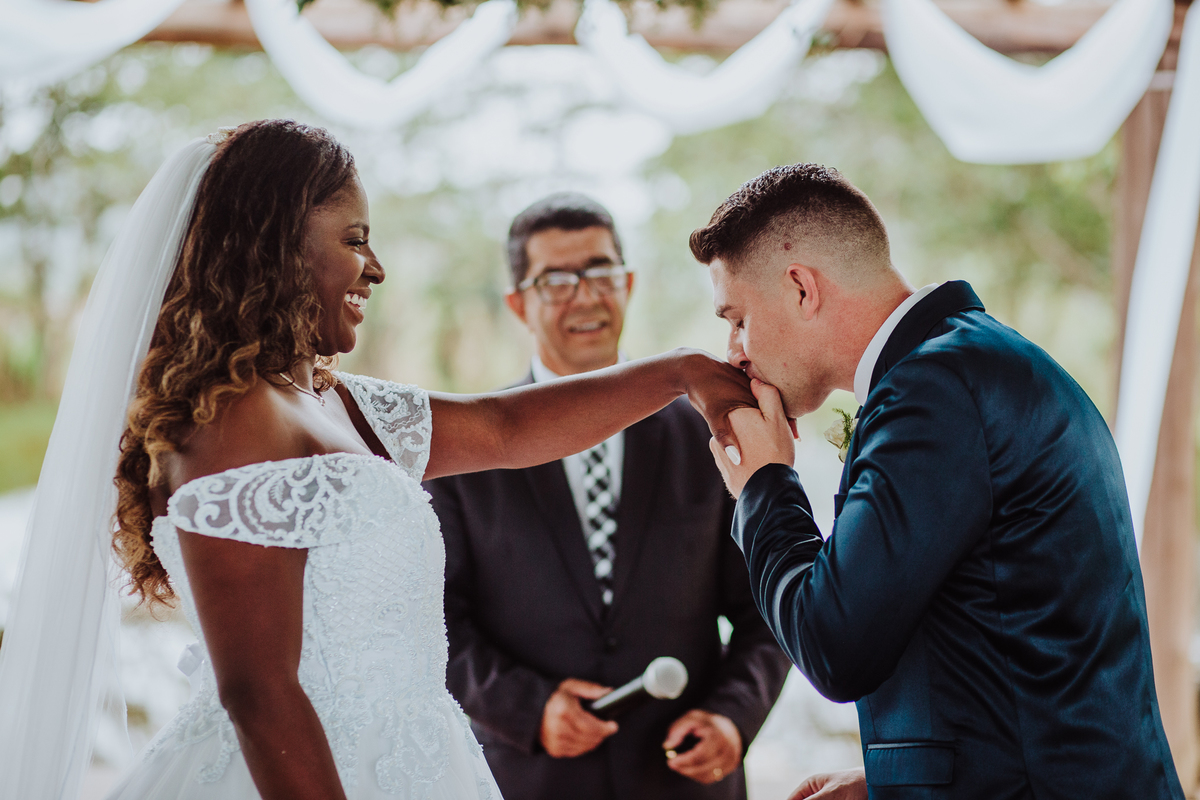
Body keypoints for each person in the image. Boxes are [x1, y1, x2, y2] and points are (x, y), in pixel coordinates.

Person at [0, 121, 754, 800]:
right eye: (355, 240)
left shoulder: (338, 402)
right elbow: (260, 694)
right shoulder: (230, 421)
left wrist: (680, 372)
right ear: (275, 248)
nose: (376, 269)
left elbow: (505, 427)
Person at [694, 164, 1186, 799]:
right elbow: (1007, 639)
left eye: (737, 319)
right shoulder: (974, 363)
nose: (734, 351)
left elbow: (835, 647)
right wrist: (894, 783)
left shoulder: (933, 391)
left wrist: (765, 486)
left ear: (800, 288)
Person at [424, 193, 791, 800]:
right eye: (556, 281)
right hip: (530, 781)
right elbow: (435, 621)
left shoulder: (709, 432)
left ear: (628, 283)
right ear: (518, 303)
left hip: (684, 783)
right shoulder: (467, 449)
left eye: (600, 272)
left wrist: (733, 716)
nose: (585, 296)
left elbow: (767, 604)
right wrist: (529, 707)